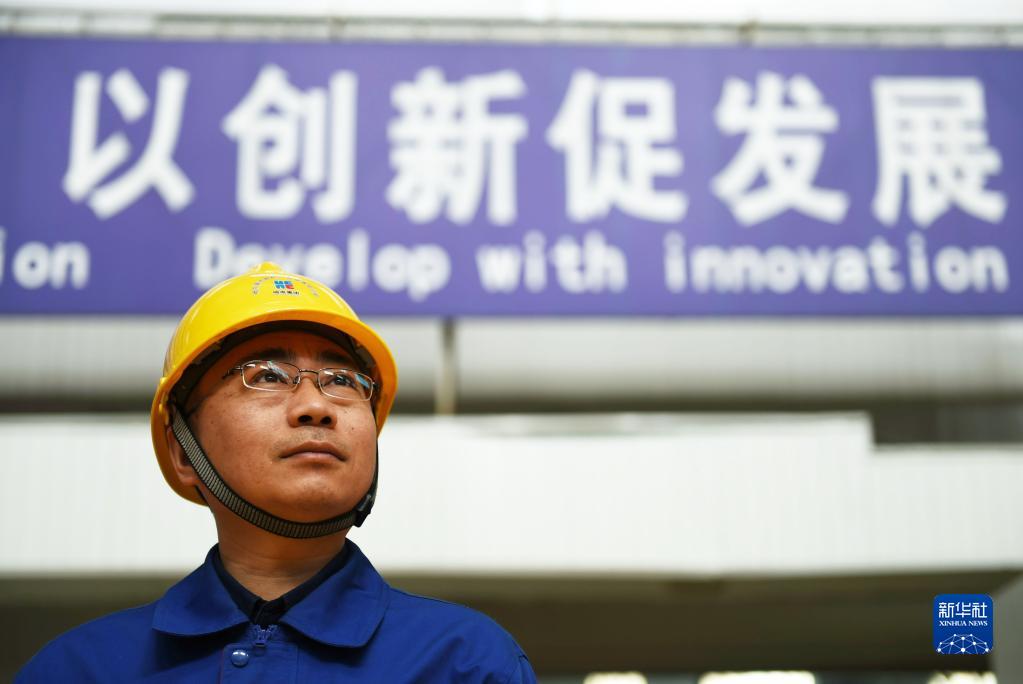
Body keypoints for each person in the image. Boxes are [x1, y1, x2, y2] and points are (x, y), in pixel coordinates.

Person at [17, 262, 536, 683]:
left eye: (343, 380)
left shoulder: (465, 663)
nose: (316, 406)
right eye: (266, 375)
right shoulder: (78, 669)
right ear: (183, 451)